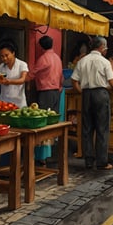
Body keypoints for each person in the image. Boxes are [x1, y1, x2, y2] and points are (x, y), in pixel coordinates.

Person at [71, 36, 113, 170]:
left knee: (87, 129)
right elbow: (112, 83)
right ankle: (102, 161)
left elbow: (74, 81)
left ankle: (89, 161)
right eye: (105, 48)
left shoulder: (82, 61)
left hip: (86, 95)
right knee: (102, 128)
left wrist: (82, 92)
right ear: (102, 47)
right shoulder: (104, 62)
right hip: (101, 95)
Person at [26, 35, 64, 165]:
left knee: (42, 123)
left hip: (45, 92)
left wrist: (20, 79)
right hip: (56, 92)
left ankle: (41, 156)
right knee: (52, 122)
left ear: (41, 46)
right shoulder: (57, 58)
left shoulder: (43, 58)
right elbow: (61, 77)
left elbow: (32, 73)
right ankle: (50, 153)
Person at [0, 41, 29, 108]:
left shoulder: (22, 65)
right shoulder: (1, 68)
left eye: (7, 55)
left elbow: (22, 80)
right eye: (2, 56)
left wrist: (8, 81)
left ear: (13, 53)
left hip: (19, 103)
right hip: (4, 103)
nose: (4, 58)